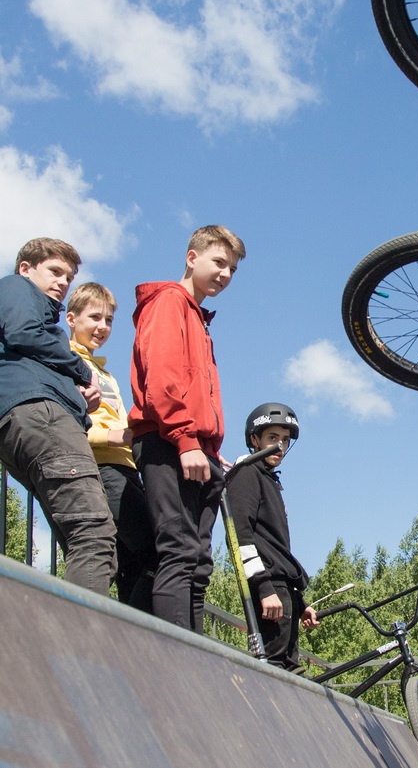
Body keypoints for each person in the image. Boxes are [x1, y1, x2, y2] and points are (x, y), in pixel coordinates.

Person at [128, 225, 246, 631]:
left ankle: (198, 655)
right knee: (177, 551)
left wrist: (209, 447)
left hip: (198, 449)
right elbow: (162, 379)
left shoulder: (199, 318)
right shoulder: (168, 302)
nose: (225, 274)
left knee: (198, 562)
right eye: (218, 262)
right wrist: (186, 439)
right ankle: (175, 659)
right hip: (167, 441)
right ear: (191, 257)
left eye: (232, 268)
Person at [0, 238, 117, 594]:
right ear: (26, 268)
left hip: (31, 417)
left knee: (77, 539)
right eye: (55, 271)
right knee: (94, 536)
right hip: (41, 415)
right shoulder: (15, 288)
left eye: (68, 276)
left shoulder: (38, 327)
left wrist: (82, 398)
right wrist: (81, 370)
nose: (63, 282)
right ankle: (80, 648)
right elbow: (23, 331)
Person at [66, 282, 156, 612]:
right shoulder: (66, 361)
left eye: (108, 320)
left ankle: (125, 632)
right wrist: (112, 437)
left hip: (127, 468)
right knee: (156, 552)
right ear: (71, 319)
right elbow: (66, 422)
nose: (102, 327)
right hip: (104, 467)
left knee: (131, 564)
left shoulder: (104, 371)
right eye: (94, 318)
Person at [226, 403, 319, 670]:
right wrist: (264, 589)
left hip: (284, 591)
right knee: (273, 670)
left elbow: (275, 548)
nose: (279, 446)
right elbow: (240, 537)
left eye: (285, 440)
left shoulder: (269, 479)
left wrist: (300, 604)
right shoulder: (246, 473)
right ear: (254, 440)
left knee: (291, 670)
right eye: (272, 438)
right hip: (269, 590)